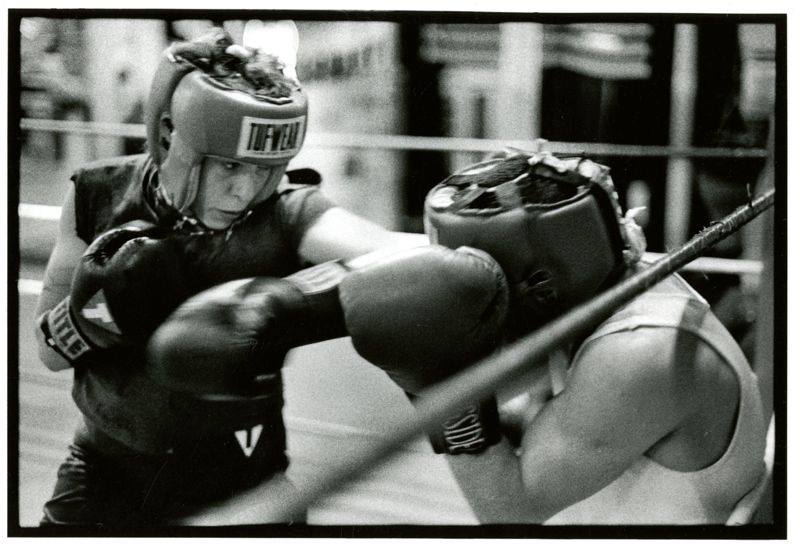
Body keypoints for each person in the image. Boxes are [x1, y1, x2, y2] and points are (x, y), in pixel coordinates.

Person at [149, 151, 769, 525]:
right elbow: (432, 292)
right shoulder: (595, 279)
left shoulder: (641, 355)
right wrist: (288, 310)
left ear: (536, 285)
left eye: (488, 278)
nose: (476, 287)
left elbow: (511, 514)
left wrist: (435, 382)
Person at [33, 27, 424, 527]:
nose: (245, 191)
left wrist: (293, 300)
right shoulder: (98, 193)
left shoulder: (284, 212)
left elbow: (400, 259)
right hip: (102, 468)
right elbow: (47, 354)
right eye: (229, 166)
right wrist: (93, 314)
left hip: (241, 481)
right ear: (172, 136)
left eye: (266, 169)